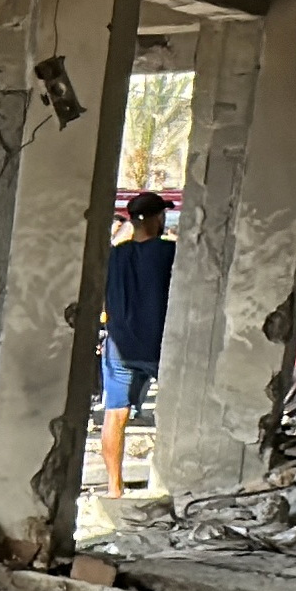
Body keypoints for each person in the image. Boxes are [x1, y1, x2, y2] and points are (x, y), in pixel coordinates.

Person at [100, 191, 176, 496]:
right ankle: (169, 483)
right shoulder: (169, 252)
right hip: (160, 345)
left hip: (120, 345)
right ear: (159, 218)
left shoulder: (115, 256)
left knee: (115, 414)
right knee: (173, 412)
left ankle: (114, 489)